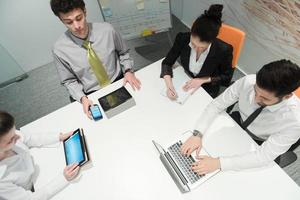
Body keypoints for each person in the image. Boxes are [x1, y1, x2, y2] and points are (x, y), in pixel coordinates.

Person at [180, 59, 300, 174]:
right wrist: (198, 134)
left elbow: (263, 156)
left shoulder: (294, 121)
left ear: (286, 97)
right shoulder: (249, 81)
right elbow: (216, 105)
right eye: (255, 91)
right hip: (238, 125)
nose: (255, 99)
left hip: (260, 142)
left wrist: (219, 163)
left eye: (264, 98)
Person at [50, 0, 141, 119]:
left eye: (79, 18)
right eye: (69, 22)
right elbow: (69, 81)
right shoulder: (59, 49)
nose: (77, 26)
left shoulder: (107, 30)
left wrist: (128, 71)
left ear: (85, 11)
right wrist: (82, 98)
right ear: (61, 20)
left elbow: (123, 52)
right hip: (91, 95)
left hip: (119, 81)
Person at [0, 111, 79, 199]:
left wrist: (58, 137)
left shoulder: (8, 134)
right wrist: (64, 178)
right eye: (11, 140)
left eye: (15, 132)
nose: (18, 137)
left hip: (39, 170)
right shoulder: (2, 182)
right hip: (33, 190)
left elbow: (30, 139)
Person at [161, 4, 233, 99]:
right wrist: (169, 87)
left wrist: (203, 80)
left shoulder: (224, 50)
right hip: (186, 79)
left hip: (207, 88)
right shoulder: (183, 38)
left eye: (202, 47)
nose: (196, 49)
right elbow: (167, 62)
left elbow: (226, 78)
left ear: (212, 41)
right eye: (193, 44)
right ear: (191, 32)